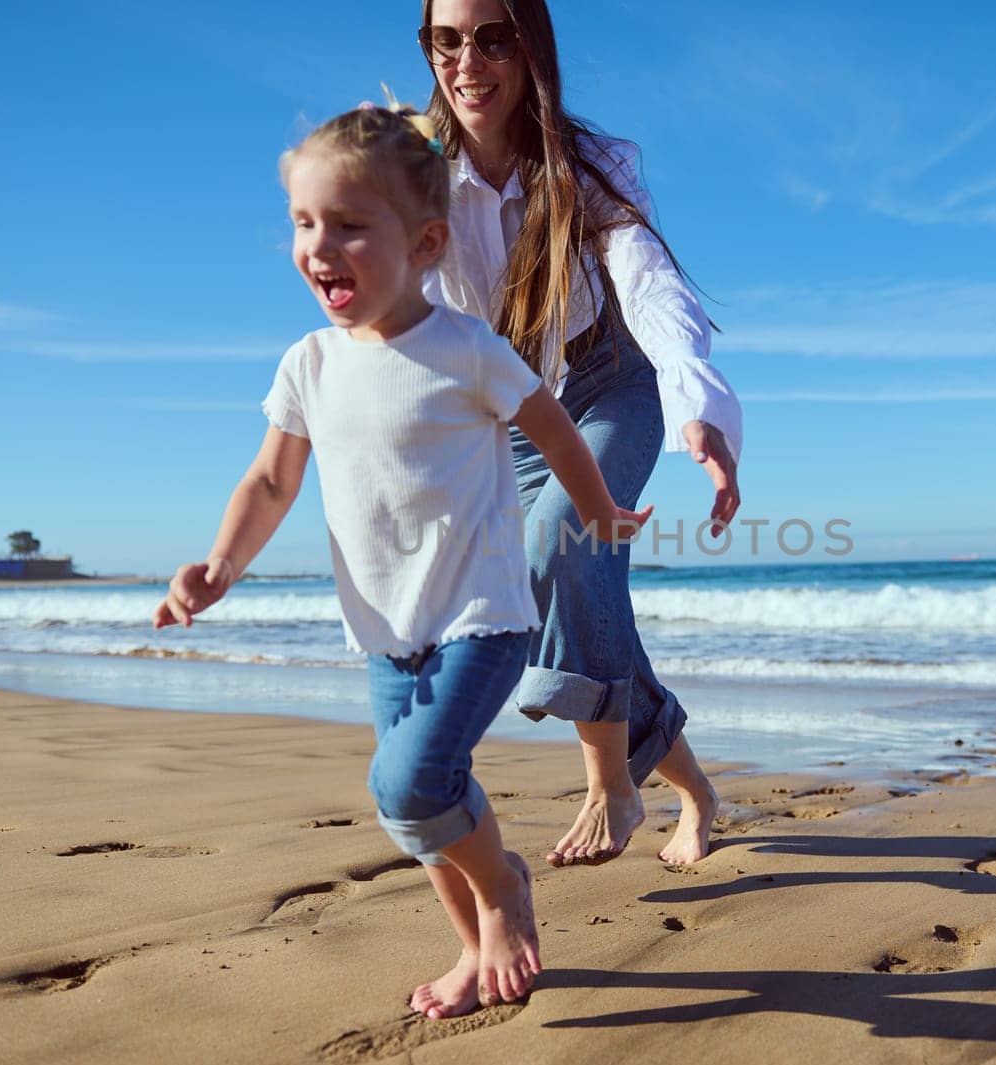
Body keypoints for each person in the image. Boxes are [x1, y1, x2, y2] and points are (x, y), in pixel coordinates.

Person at [152, 100, 651, 1016]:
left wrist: (598, 512)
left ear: (425, 243)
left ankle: (502, 888)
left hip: (482, 617)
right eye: (304, 224)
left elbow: (555, 426)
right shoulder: (308, 363)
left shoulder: (466, 347)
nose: (319, 246)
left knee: (407, 782)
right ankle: (473, 945)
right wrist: (218, 567)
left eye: (350, 225)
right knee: (422, 814)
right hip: (386, 628)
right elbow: (270, 482)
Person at [418, 0, 744, 869]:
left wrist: (698, 405)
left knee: (562, 543)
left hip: (610, 386)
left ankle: (610, 785)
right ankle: (698, 793)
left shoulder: (585, 164)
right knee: (594, 610)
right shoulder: (415, 172)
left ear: (529, 49)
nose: (467, 60)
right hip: (513, 417)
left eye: (492, 37)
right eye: (445, 39)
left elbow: (649, 286)